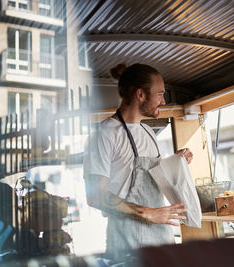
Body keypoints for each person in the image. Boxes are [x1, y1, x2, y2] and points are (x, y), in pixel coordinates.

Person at [83, 63, 193, 260]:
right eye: (159, 94)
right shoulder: (104, 134)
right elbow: (95, 195)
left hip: (161, 238)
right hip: (127, 244)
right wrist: (148, 213)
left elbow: (153, 177)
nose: (163, 100)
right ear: (140, 94)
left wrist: (177, 162)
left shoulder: (148, 132)